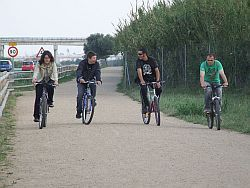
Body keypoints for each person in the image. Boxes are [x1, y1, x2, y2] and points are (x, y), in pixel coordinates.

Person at [32, 50, 58, 122]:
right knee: (38, 98)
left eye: (48, 58)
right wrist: (34, 78)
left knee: (51, 87)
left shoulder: (53, 64)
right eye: (45, 58)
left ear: (50, 58)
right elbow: (36, 71)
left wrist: (56, 80)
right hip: (40, 80)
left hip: (50, 79)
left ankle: (50, 101)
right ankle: (36, 116)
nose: (47, 59)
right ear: (43, 58)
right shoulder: (39, 63)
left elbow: (55, 72)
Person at [76, 51, 102, 119]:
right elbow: (79, 71)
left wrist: (98, 80)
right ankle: (79, 111)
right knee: (80, 95)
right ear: (89, 58)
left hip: (91, 80)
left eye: (95, 58)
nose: (95, 60)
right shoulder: (82, 63)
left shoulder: (96, 64)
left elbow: (97, 72)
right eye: (93, 58)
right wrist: (80, 78)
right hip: (82, 81)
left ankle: (92, 99)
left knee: (93, 88)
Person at [136, 48, 162, 114]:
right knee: (143, 90)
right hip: (143, 79)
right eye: (138, 54)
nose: (138, 55)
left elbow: (157, 70)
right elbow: (139, 71)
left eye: (140, 54)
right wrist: (142, 81)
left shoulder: (152, 60)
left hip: (152, 78)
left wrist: (158, 81)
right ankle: (146, 106)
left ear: (144, 54)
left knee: (159, 88)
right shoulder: (139, 61)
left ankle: (156, 103)